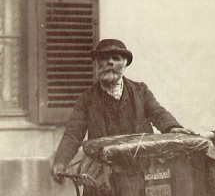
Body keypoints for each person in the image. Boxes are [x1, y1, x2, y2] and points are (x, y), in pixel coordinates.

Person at [51, 38, 193, 181]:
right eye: (104, 58)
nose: (110, 62)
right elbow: (73, 134)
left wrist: (172, 127)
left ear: (125, 64)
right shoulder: (86, 99)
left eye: (116, 58)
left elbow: (158, 113)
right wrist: (60, 162)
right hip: (103, 173)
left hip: (140, 169)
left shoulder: (140, 91)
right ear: (95, 63)